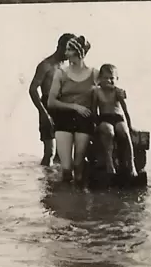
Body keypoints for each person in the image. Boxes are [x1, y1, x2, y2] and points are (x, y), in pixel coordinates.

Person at [47, 35, 97, 183]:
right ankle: (65, 203)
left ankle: (80, 203)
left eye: (69, 50)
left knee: (79, 165)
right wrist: (74, 107)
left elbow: (107, 90)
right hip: (64, 119)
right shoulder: (61, 73)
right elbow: (51, 102)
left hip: (85, 120)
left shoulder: (95, 73)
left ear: (79, 52)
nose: (66, 53)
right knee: (67, 169)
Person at [29, 33, 75, 166]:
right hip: (48, 106)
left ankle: (57, 183)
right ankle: (44, 184)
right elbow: (32, 89)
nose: (69, 53)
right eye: (68, 49)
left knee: (64, 153)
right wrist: (43, 113)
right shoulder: (46, 65)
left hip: (64, 106)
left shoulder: (68, 66)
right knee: (50, 152)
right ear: (60, 47)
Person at [92, 64, 136, 177]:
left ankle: (131, 165)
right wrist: (95, 124)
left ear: (117, 79)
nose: (109, 81)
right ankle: (109, 162)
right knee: (108, 131)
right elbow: (93, 110)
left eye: (112, 78)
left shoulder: (117, 92)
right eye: (106, 78)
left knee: (124, 131)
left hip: (118, 117)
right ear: (100, 79)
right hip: (104, 118)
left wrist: (130, 125)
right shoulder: (97, 91)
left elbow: (125, 110)